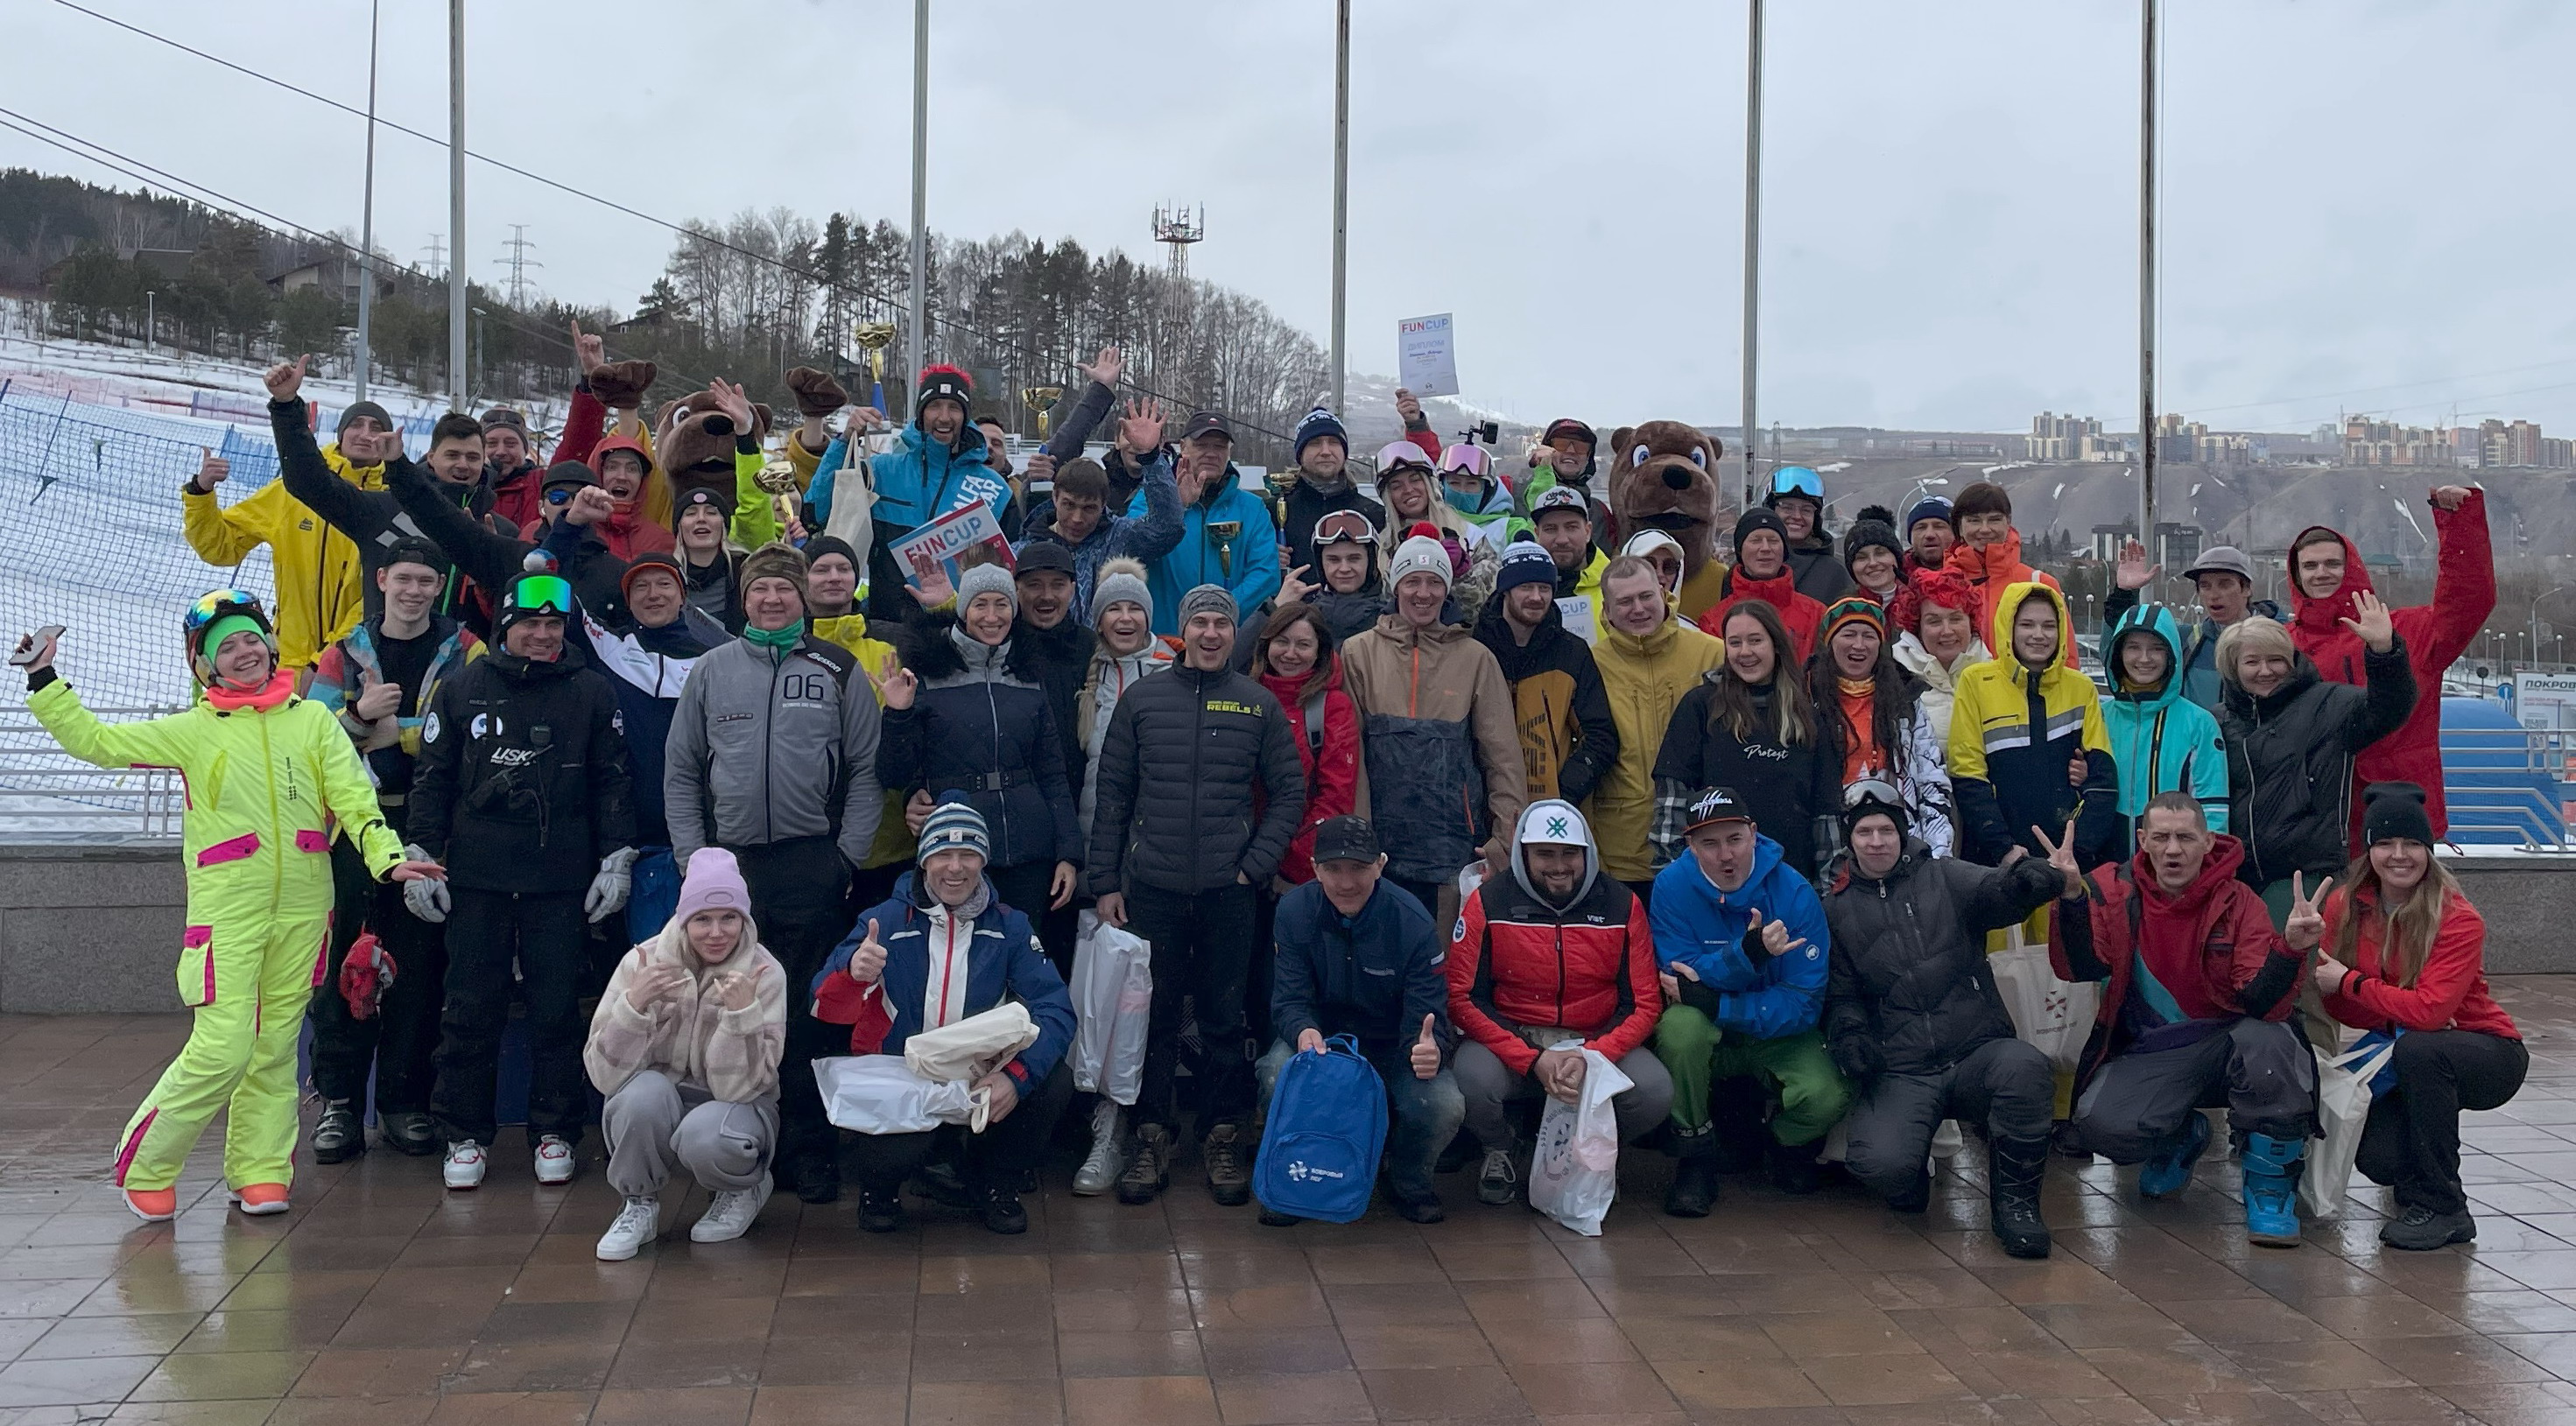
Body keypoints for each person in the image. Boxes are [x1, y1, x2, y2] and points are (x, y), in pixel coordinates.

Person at [18, 604, 433, 1222]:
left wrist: (387, 859)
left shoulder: (313, 723)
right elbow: (96, 743)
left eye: (252, 641)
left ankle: (261, 1171)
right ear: (206, 665)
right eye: (228, 647)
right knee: (223, 1046)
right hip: (228, 914)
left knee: (274, 1049)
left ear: (270, 646)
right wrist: (44, 678)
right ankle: (146, 1165)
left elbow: (354, 798)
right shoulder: (192, 728)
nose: (246, 653)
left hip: (304, 912)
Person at [665, 541, 886, 1205]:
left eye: (784, 588)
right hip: (728, 870)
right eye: (759, 588)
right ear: (744, 597)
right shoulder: (711, 669)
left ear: (801, 597)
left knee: (808, 1013)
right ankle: (736, 1148)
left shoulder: (837, 668)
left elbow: (866, 771)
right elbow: (681, 771)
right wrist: (694, 863)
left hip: (809, 861)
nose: (771, 599)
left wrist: (845, 856)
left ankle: (807, 1152)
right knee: (732, 1010)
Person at [405, 572, 636, 1191]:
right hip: (476, 878)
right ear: (505, 626)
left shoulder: (591, 691)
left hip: (560, 879)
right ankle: (464, 1134)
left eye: (553, 624)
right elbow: (433, 778)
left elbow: (612, 780)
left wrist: (616, 858)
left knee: (556, 1009)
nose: (542, 635)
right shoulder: (463, 687)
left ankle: (555, 1130)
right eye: (530, 623)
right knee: (469, 1007)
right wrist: (421, 854)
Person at [1086, 585, 1307, 1207]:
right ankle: (1151, 1135)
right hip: (1151, 889)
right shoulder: (1143, 699)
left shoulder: (1257, 704)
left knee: (1223, 1019)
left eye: (1221, 623)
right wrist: (1106, 882)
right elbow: (1113, 795)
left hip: (1227, 893)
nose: (1211, 633)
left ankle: (1222, 1135)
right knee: (1151, 1019)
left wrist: (1253, 867)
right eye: (1200, 622)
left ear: (1235, 633)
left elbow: (1289, 792)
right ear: (1182, 630)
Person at [2049, 793, 2319, 1247]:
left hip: (2231, 1042)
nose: (2173, 850)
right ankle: (2179, 1137)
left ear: (2207, 841)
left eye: (2185, 838)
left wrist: (2290, 949)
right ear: (2142, 840)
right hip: (2154, 1048)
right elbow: (2079, 968)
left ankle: (2271, 1190)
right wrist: (2072, 897)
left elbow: (2263, 1004)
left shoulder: (2241, 901)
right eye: (2161, 838)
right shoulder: (2113, 891)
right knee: (2099, 1126)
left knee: (2271, 1041)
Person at [813, 800, 1076, 1235]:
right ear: (923, 861)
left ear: (984, 862)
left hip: (977, 1074)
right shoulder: (882, 920)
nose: (955, 868)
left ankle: (997, 1183)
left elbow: (1056, 1010)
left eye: (968, 854)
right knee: (888, 1148)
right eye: (942, 854)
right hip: (904, 1072)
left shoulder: (1010, 927)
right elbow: (822, 1007)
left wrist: (1015, 1077)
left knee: (1053, 1081)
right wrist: (851, 972)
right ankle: (880, 1188)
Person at [1823, 783, 2066, 1255]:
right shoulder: (1834, 908)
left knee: (2026, 1070)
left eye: (1886, 831)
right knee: (1881, 1164)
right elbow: (1841, 993)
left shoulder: (1944, 876)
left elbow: (1997, 891)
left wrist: (2028, 878)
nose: (1877, 842)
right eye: (1865, 832)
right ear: (1849, 840)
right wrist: (1849, 1034)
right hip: (1902, 1066)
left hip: (1976, 1049)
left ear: (1902, 833)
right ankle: (1907, 1176)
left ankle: (2017, 1208)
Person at [303, 538, 482, 1162]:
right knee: (342, 967)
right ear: (382, 580)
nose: (414, 591)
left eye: (426, 581)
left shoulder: (466, 649)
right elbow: (313, 739)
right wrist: (358, 716)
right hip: (352, 832)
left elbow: (466, 733)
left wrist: (390, 733)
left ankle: (405, 1103)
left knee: (419, 968)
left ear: (441, 586)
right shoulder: (341, 652)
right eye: (404, 579)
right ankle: (339, 1102)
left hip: (428, 826)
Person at [2316, 783, 2526, 1251]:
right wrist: (2396, 1005)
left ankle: (2445, 1207)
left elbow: (2426, 1013)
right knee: (2379, 1158)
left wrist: (2355, 984)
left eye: (2412, 843)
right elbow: (2339, 1006)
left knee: (2423, 1049)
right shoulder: (2343, 906)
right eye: (2386, 843)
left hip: (2489, 1051)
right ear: (2369, 849)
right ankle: (2415, 1191)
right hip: (2405, 1045)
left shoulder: (2457, 918)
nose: (2399, 855)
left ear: (2429, 850)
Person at [1447, 800, 1671, 1207]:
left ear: (1588, 853)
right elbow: (1462, 997)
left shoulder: (1622, 904)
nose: (1559, 866)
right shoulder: (1488, 902)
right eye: (1545, 854)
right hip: (1516, 1037)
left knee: (1653, 1090)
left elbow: (1644, 1003)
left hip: (1594, 1038)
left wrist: (1591, 1056)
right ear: (1524, 854)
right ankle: (1501, 1146)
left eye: (1570, 853)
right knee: (1470, 1079)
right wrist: (1533, 1058)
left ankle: (1592, 1154)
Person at [586, 848, 788, 1260]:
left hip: (733, 1105)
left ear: (745, 920)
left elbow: (741, 1089)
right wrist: (634, 1007)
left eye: (729, 918)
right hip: (661, 1095)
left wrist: (741, 1017)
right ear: (683, 919)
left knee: (705, 1134)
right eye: (702, 919)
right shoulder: (641, 962)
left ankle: (742, 1188)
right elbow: (604, 1076)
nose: (716, 932)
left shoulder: (764, 973)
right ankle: (638, 1204)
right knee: (639, 1098)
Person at [1260, 816, 1462, 1226]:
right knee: (1276, 1072)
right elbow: (1289, 999)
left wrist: (1429, 1048)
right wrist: (1303, 1030)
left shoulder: (1413, 922)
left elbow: (1430, 1013)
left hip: (1393, 1047)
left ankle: (1407, 1180)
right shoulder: (1294, 911)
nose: (1346, 882)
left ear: (1381, 865)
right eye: (1333, 868)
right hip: (1322, 1043)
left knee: (1443, 1104)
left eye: (1359, 868)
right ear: (1315, 868)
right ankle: (1292, 1180)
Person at [1650, 788, 1847, 1208]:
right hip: (1711, 1029)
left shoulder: (1795, 892)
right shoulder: (1670, 887)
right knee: (1680, 1029)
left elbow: (1803, 1003)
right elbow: (1678, 980)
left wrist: (1718, 1002)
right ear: (1690, 845)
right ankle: (1695, 1155)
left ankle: (1778, 1142)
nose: (1726, 856)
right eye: (1709, 843)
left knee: (1827, 1095)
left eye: (1735, 839)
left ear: (1754, 834)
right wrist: (1748, 955)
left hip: (1774, 1029)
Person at [878, 562, 1080, 965]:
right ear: (964, 610)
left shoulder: (1028, 672)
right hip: (958, 849)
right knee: (962, 962)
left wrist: (1068, 854)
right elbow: (895, 773)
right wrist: (897, 714)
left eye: (1001, 604)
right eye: (980, 604)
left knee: (1023, 959)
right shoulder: (929, 670)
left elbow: (1052, 773)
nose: (992, 616)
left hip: (1029, 849)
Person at [1338, 530, 1527, 920]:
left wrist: (1503, 841)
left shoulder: (1476, 658)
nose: (1423, 593)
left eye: (1434, 582)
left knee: (1443, 952)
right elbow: (1349, 755)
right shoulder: (1358, 652)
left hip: (1452, 847)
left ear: (1447, 589)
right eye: (1412, 581)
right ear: (1396, 586)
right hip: (1380, 848)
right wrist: (1358, 836)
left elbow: (1503, 757)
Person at [2286, 488, 2492, 839]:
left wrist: (2458, 523)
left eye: (2333, 564)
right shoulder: (2282, 643)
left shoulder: (2408, 630)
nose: (2321, 573)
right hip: (2318, 819)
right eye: (2310, 565)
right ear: (2296, 574)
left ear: (2352, 567)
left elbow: (2468, 601)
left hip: (2400, 816)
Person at [265, 358, 503, 626]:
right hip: (382, 650)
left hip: (464, 652)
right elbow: (309, 483)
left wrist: (489, 562)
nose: (462, 464)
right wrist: (286, 406)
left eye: (472, 457)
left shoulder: (496, 530)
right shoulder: (385, 509)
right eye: (452, 455)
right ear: (431, 457)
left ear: (484, 461)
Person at [2217, 608, 2415, 923]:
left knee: (2295, 952)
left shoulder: (2330, 705)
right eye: (2252, 662)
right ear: (2233, 667)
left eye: (2276, 660)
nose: (2265, 671)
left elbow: (2390, 707)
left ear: (2292, 661)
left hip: (2308, 874)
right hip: (2236, 877)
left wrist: (2384, 652)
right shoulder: (2219, 721)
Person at [181, 405, 385, 671]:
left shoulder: (392, 501)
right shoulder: (294, 490)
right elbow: (220, 547)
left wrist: (329, 659)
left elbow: (380, 599)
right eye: (356, 425)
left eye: (376, 427)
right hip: (289, 662)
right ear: (341, 433)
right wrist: (201, 491)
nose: (365, 434)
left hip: (354, 664)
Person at [1653, 599, 1837, 877]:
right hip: (1715, 880)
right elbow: (1672, 797)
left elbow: (1826, 809)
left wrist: (1828, 883)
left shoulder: (1805, 714)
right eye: (1735, 643)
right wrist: (1673, 874)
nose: (1745, 652)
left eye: (1755, 640)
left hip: (1790, 877)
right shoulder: (1701, 706)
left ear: (1776, 644)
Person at [1948, 583, 2118, 870]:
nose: (2039, 635)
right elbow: (1967, 774)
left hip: (2067, 858)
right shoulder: (1975, 682)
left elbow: (2102, 781)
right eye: (2027, 625)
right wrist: (2002, 848)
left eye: (2049, 626)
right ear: (2008, 628)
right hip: (1997, 859)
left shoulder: (2081, 687)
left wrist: (2077, 851)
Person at [1589, 556, 1724, 899]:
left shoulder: (1713, 654)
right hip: (1619, 852)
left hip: (1703, 842)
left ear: (1663, 593)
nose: (1638, 609)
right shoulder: (1590, 664)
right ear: (1607, 609)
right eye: (1625, 601)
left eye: (1646, 596)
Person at [851, 364, 1017, 618]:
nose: (944, 417)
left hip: (959, 628)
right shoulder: (881, 471)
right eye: (934, 406)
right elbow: (817, 510)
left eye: (954, 407)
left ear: (966, 417)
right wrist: (845, 439)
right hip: (887, 626)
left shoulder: (996, 489)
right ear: (921, 414)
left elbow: (1010, 571)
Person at [1475, 541, 1618, 811]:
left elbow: (1601, 737)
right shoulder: (1477, 649)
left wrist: (1564, 791)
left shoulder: (1572, 652)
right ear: (1505, 590)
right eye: (1526, 587)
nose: (1536, 597)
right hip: (1486, 811)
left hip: (1554, 812)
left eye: (1544, 588)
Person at [1808, 596, 1953, 857]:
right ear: (1830, 643)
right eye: (1849, 634)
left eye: (1869, 636)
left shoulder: (1905, 699)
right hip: (1831, 844)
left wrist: (1937, 853)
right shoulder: (1807, 698)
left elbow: (1932, 780)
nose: (1859, 645)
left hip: (1901, 839)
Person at [1024, 400, 1182, 621]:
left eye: (1089, 508)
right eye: (1069, 505)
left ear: (1104, 504)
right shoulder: (1027, 548)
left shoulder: (1120, 538)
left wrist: (1150, 457)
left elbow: (1168, 528)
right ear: (1055, 497)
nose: (1077, 518)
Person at [1249, 603, 1362, 891]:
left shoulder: (1331, 707)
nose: (1290, 654)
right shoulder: (1245, 697)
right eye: (1282, 641)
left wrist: (1286, 861)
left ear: (1319, 651)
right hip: (1239, 863)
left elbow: (1335, 798)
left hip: (1292, 873)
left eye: (1303, 644)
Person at [1137, 410, 1283, 635]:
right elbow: (1132, 551)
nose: (1212, 453)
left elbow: (1266, 575)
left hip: (1227, 642)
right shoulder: (1148, 498)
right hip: (1164, 642)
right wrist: (1174, 508)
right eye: (1202, 445)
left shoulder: (1253, 508)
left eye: (1220, 447)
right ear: (1183, 447)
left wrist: (1218, 613)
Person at [2102, 604, 2229, 854]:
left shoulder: (2199, 723)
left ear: (2172, 654)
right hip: (2104, 861)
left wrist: (2209, 867)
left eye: (2156, 648)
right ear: (2118, 653)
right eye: (2133, 647)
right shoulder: (2099, 716)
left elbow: (2213, 809)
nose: (2144, 658)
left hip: (2174, 861)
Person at [2099, 543, 2281, 713]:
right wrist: (2123, 594)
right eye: (2205, 586)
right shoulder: (2187, 641)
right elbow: (2116, 654)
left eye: (2225, 584)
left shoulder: (2282, 641)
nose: (2214, 595)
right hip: (2197, 737)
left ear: (2247, 588)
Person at [1074, 558, 1177, 843]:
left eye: (1135, 608)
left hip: (1153, 836)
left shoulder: (1174, 672)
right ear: (1099, 623)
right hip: (1093, 833)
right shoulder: (1085, 672)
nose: (1125, 618)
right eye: (1114, 609)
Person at [1373, 442, 1496, 621]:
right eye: (1396, 486)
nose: (1408, 490)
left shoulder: (1470, 536)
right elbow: (1379, 608)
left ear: (1431, 483)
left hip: (1458, 635)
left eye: (1415, 479)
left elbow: (1488, 605)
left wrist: (1460, 574)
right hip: (1401, 637)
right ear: (1387, 496)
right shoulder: (1380, 548)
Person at [1942, 481, 2063, 661]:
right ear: (1959, 527)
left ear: (2008, 522)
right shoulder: (1940, 585)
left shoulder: (2039, 583)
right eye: (1974, 520)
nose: (1985, 529)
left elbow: (2065, 658)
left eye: (1994, 519)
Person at [1697, 507, 1826, 664]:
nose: (1765, 548)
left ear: (1784, 550)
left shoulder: (1816, 614)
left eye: (1773, 541)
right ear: (1740, 550)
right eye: (1756, 540)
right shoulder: (1712, 621)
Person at [1890, 567, 1989, 758]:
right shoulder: (1892, 680)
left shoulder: (1998, 677)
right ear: (1917, 627)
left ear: (1971, 622)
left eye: (1955, 619)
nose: (1947, 631)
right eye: (1934, 621)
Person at [1278, 405, 1385, 577]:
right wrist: (1265, 558)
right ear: (1300, 454)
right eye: (1315, 443)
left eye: (1334, 442)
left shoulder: (1374, 514)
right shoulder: (1275, 512)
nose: (1326, 452)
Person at [1274, 509, 1385, 643]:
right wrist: (1276, 611)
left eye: (1354, 559)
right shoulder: (1304, 615)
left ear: (1371, 561)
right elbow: (1252, 652)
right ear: (1321, 564)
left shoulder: (1392, 617)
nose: (1344, 569)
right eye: (1333, 560)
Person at [1520, 418, 1614, 551]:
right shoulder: (1515, 498)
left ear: (1588, 457)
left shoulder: (1600, 512)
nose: (1571, 451)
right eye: (1561, 444)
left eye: (1581, 447)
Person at [1530, 485, 1608, 642]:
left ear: (1588, 531)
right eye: (1550, 529)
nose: (1562, 540)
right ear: (1537, 534)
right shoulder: (1520, 592)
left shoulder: (1616, 586)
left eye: (1571, 527)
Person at [1764, 466, 1854, 603]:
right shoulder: (1752, 564)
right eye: (1787, 507)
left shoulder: (1834, 574)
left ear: (1816, 518)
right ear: (1770, 511)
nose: (1797, 516)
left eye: (1806, 510)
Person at [672, 487, 747, 634]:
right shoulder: (667, 573)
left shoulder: (746, 570)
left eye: (711, 513)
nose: (701, 519)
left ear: (724, 525)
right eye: (691, 513)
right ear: (679, 527)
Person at [1438, 442, 1517, 549]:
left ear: (1487, 490)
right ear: (1441, 486)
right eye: (1454, 483)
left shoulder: (1509, 528)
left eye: (1471, 483)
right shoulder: (1432, 522)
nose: (1462, 490)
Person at [477, 407, 542, 533]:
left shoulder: (541, 483)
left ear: (525, 450)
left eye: (511, 444)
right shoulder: (470, 487)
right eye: (491, 444)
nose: (501, 451)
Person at [1841, 508, 1906, 612]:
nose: (1872, 563)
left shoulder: (1922, 602)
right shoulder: (1841, 612)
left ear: (1896, 557)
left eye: (1880, 553)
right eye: (1861, 557)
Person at [1903, 495, 1955, 576]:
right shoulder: (1893, 578)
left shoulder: (1974, 574)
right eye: (1921, 528)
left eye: (1939, 527)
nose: (1930, 534)